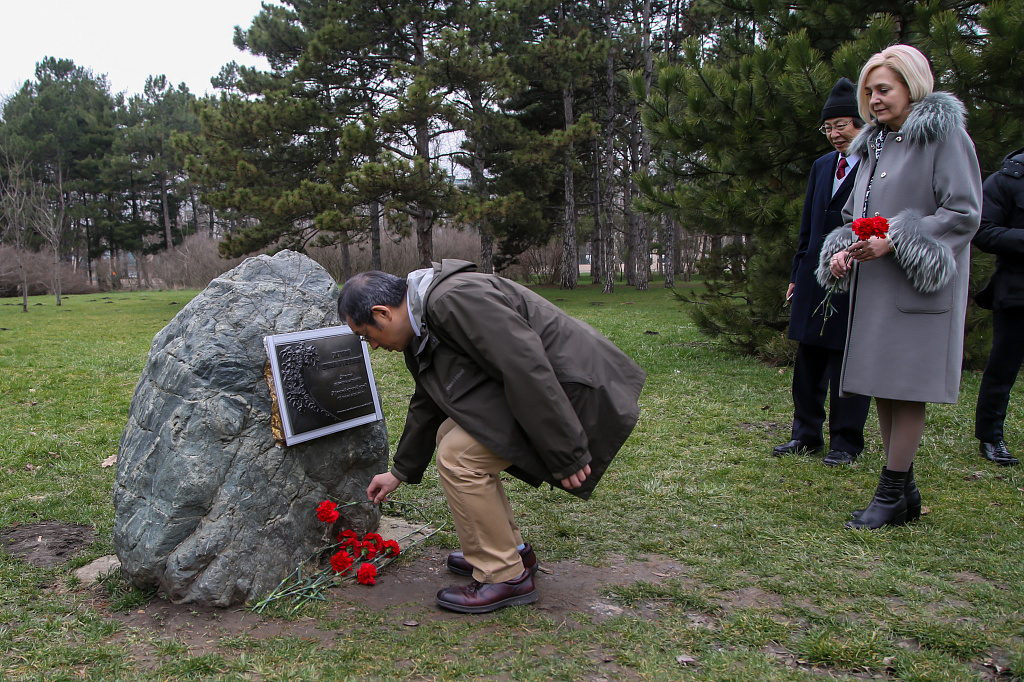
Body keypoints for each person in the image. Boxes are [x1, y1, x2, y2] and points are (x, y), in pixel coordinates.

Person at [337, 260, 646, 612]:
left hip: (577, 391)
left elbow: (525, 365)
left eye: (366, 335)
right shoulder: (422, 319)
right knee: (449, 433)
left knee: (459, 455)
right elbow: (430, 400)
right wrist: (400, 471)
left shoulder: (453, 300)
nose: (372, 346)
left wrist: (566, 450)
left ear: (383, 312)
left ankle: (505, 576)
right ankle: (508, 551)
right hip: (550, 389)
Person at [817, 44, 982, 529]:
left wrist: (895, 239)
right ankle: (903, 492)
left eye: (883, 89)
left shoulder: (945, 136)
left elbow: (964, 213)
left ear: (913, 86)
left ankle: (889, 494)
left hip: (919, 289)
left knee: (907, 390)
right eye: (869, 91)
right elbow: (856, 216)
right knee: (885, 387)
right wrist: (845, 249)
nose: (874, 99)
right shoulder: (875, 142)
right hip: (878, 288)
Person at [775, 77, 871, 466]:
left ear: (860, 124)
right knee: (809, 361)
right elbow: (808, 228)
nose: (833, 134)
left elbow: (878, 221)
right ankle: (805, 435)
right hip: (814, 279)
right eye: (828, 127)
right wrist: (798, 274)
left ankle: (846, 443)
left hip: (853, 277)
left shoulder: (874, 166)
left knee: (847, 363)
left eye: (841, 126)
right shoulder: (822, 166)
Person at [971, 146, 1024, 467]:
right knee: (1002, 369)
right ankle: (990, 437)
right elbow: (983, 229)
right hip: (1018, 290)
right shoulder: (1008, 178)